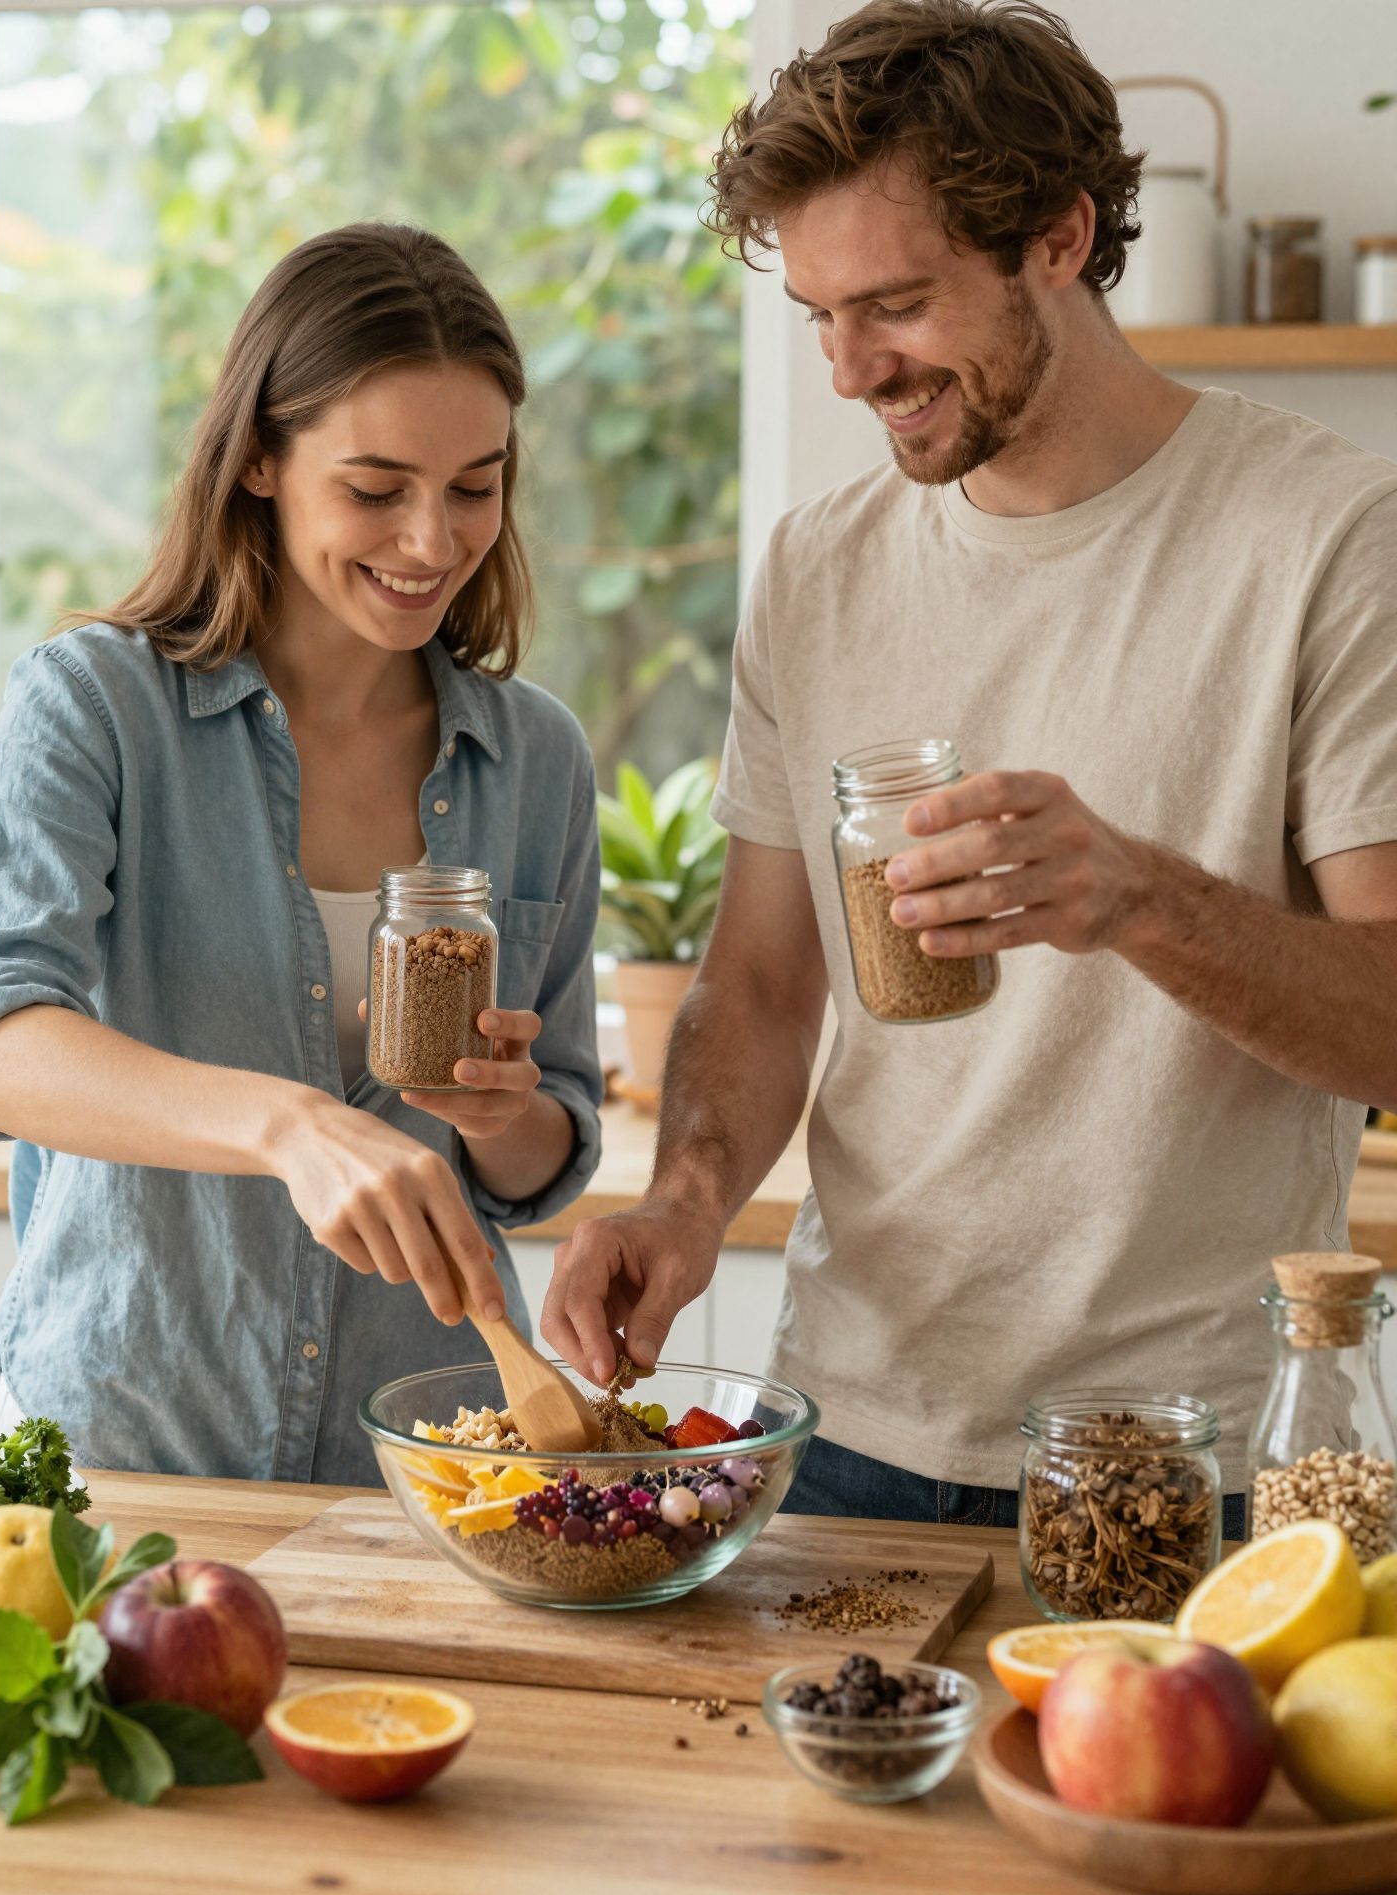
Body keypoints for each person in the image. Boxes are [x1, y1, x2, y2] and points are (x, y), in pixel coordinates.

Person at [542, 0, 1397, 1530]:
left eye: (896, 305)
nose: (849, 369)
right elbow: (759, 980)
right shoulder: (816, 572)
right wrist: (681, 1204)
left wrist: (1139, 898)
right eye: (816, 313)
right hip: (850, 1426)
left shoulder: (1328, 539)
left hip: (1176, 1457)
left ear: (1059, 238)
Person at [0, 223, 603, 1484]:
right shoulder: (97, 705)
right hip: (122, 1446)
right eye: (376, 488)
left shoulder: (536, 758)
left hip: (421, 1467)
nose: (433, 541)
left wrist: (502, 1116)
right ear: (262, 463)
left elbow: (548, 1146)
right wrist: (289, 1125)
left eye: (475, 485)